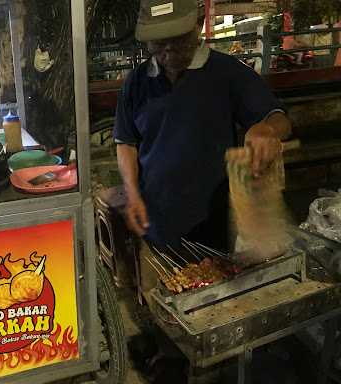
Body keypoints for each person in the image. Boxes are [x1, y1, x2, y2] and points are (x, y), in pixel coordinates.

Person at [114, 0, 292, 302]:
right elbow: (126, 142)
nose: (168, 49)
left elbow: (279, 118)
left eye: (177, 39)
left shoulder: (227, 73)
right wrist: (132, 193)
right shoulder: (137, 82)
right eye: (159, 41)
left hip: (214, 220)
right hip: (156, 217)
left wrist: (267, 130)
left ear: (198, 24)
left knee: (214, 303)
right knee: (166, 303)